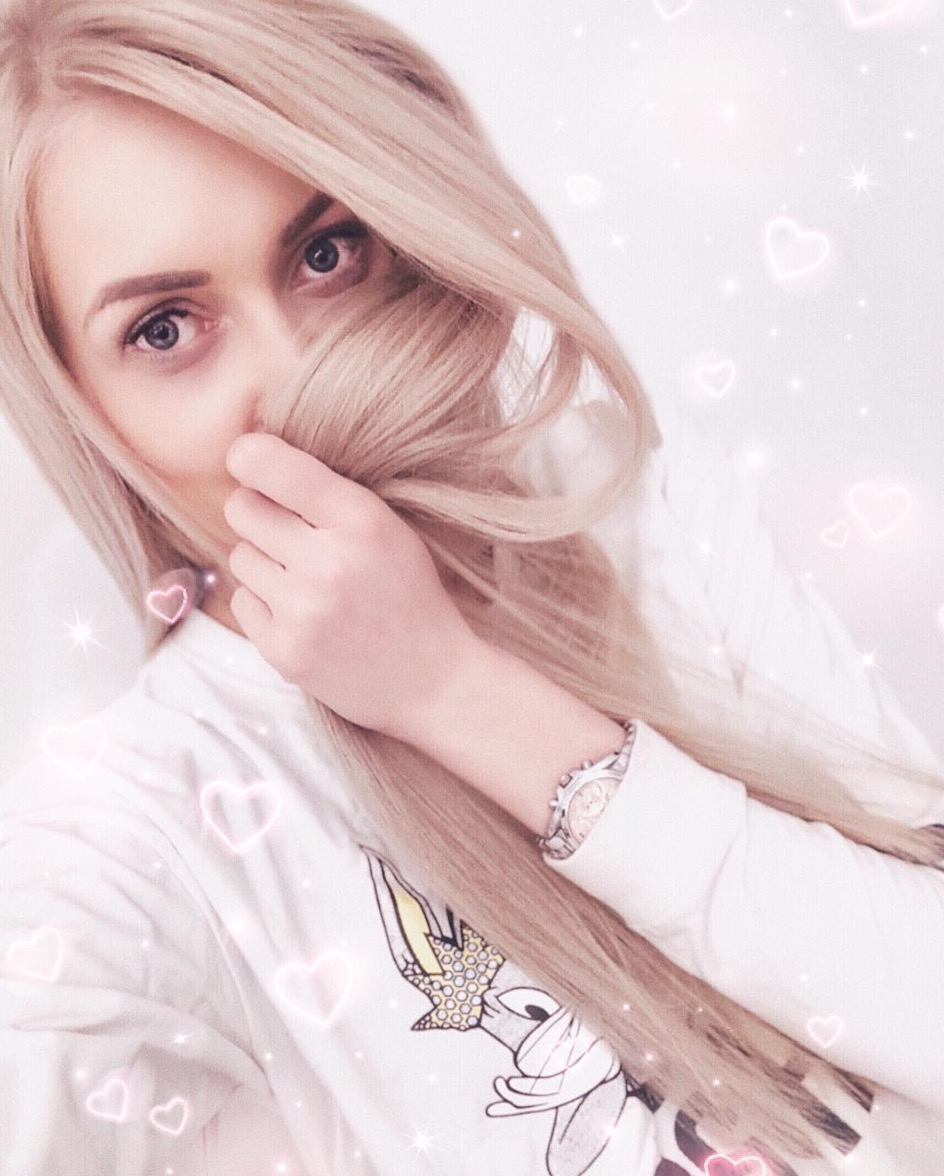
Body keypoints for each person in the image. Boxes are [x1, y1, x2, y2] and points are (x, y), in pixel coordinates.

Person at [0, 2, 942, 1174]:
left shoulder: (629, 504)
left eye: (325, 253)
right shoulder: (130, 840)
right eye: (164, 330)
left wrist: (448, 688)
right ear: (80, 404)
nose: (299, 381)